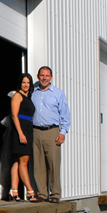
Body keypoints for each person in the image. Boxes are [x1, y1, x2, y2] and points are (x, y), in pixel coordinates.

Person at [32, 66, 71, 203]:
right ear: (38, 77)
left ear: (51, 77)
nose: (44, 78)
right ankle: (42, 194)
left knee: (53, 164)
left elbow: (65, 115)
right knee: (38, 164)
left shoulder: (58, 93)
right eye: (42, 75)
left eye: (47, 76)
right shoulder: (33, 93)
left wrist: (63, 132)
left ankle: (55, 194)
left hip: (52, 131)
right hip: (36, 131)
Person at [9, 73, 38, 202]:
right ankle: (30, 192)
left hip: (28, 128)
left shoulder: (28, 97)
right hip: (20, 130)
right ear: (20, 83)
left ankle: (13, 191)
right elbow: (15, 115)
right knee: (24, 162)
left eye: (28, 82)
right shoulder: (17, 96)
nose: (26, 85)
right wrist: (20, 133)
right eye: (23, 82)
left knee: (17, 161)